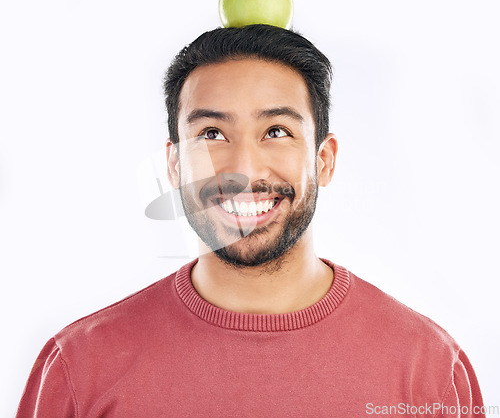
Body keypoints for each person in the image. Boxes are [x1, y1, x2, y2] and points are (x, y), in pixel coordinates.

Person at [16, 24, 484, 417]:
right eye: (211, 133)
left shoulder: (430, 372)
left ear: (324, 160)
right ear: (174, 165)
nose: (244, 168)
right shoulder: (79, 369)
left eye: (276, 131)